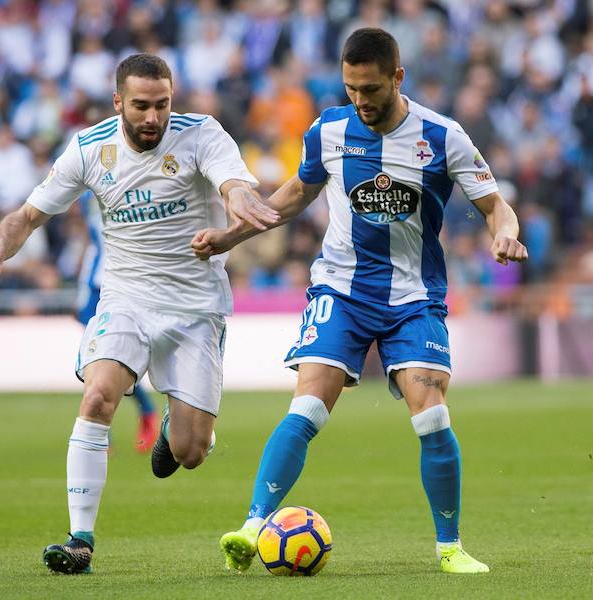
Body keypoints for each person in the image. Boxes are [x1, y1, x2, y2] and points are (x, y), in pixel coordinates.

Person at [193, 28, 528, 575]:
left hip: (413, 297)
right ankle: (254, 527)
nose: (360, 100)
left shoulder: (443, 137)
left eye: (370, 88)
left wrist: (503, 233)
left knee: (432, 415)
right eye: (351, 88)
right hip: (342, 290)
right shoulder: (329, 130)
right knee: (306, 406)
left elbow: (496, 206)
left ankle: (449, 547)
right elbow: (294, 196)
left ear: (398, 77)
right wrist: (228, 238)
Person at [0, 54, 275, 575]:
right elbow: (27, 216)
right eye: (142, 105)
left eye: (163, 105)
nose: (154, 117)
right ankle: (79, 537)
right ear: (118, 102)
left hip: (197, 306)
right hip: (125, 297)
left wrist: (241, 200)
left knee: (190, 451)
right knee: (99, 395)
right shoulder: (88, 148)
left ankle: (180, 423)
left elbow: (232, 183)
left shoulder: (202, 135)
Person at [75, 191, 159, 454]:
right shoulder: (89, 180)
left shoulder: (126, 181)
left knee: (114, 355)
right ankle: (106, 425)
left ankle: (142, 414)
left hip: (122, 281)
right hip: (94, 280)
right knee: (96, 357)